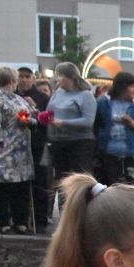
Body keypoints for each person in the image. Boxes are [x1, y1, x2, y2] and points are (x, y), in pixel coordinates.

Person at [0, 66, 34, 234]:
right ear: (11, 81)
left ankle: (20, 220)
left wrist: (29, 121)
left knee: (20, 185)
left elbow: (30, 115)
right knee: (4, 185)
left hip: (21, 148)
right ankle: (4, 221)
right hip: (5, 147)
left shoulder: (19, 99)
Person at [47, 62, 96, 200]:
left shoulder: (85, 95)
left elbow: (88, 121)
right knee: (62, 180)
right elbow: (49, 111)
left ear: (70, 77)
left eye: (60, 76)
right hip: (58, 141)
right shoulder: (58, 92)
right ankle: (65, 211)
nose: (57, 79)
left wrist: (63, 122)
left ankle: (82, 210)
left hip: (79, 143)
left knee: (78, 180)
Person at [95, 72, 134, 185]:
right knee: (112, 189)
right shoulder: (103, 102)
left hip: (133, 155)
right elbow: (96, 126)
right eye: (131, 87)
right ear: (121, 87)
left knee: (132, 188)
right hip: (109, 155)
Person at [16, 66, 52, 233]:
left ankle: (41, 220)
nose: (23, 80)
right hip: (16, 146)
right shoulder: (13, 96)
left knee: (40, 182)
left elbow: (46, 122)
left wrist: (35, 109)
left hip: (37, 144)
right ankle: (21, 220)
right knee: (20, 185)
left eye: (27, 76)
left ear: (32, 78)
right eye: (20, 76)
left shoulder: (42, 97)